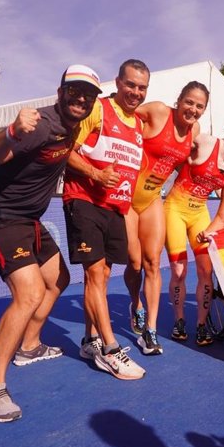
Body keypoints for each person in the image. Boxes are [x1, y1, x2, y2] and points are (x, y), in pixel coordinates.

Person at [0, 64, 102, 422]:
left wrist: (94, 172)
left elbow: (66, 153)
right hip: (1, 217)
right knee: (28, 294)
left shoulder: (72, 127)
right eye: (74, 91)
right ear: (60, 92)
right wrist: (11, 131)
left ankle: (28, 346)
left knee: (59, 278)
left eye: (88, 94)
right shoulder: (42, 124)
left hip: (29, 220)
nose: (81, 98)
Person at [62, 59, 149, 380]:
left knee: (101, 275)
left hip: (116, 207)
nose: (136, 92)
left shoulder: (138, 124)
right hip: (85, 200)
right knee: (95, 273)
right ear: (118, 82)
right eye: (130, 85)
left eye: (142, 87)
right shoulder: (98, 110)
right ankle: (112, 349)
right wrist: (95, 174)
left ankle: (90, 340)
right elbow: (66, 149)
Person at [124, 81, 210, 356]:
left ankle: (150, 329)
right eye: (189, 102)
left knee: (152, 262)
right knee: (134, 262)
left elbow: (217, 153)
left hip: (151, 200)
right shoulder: (159, 112)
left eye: (199, 106)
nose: (193, 109)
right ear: (179, 99)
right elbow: (123, 115)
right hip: (126, 198)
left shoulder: (194, 131)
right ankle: (135, 303)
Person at [164, 115, 224, 346]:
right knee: (179, 269)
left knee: (206, 270)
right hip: (174, 209)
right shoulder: (207, 142)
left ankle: (202, 325)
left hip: (199, 214)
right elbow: (178, 139)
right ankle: (179, 321)